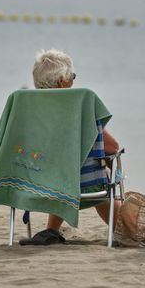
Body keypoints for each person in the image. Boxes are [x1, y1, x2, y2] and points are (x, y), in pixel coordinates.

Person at [32, 49, 121, 236]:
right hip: (82, 185)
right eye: (72, 76)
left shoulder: (29, 108)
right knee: (102, 171)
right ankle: (122, 229)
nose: (73, 80)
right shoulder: (78, 107)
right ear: (63, 81)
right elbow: (112, 147)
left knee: (65, 170)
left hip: (35, 182)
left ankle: (51, 230)